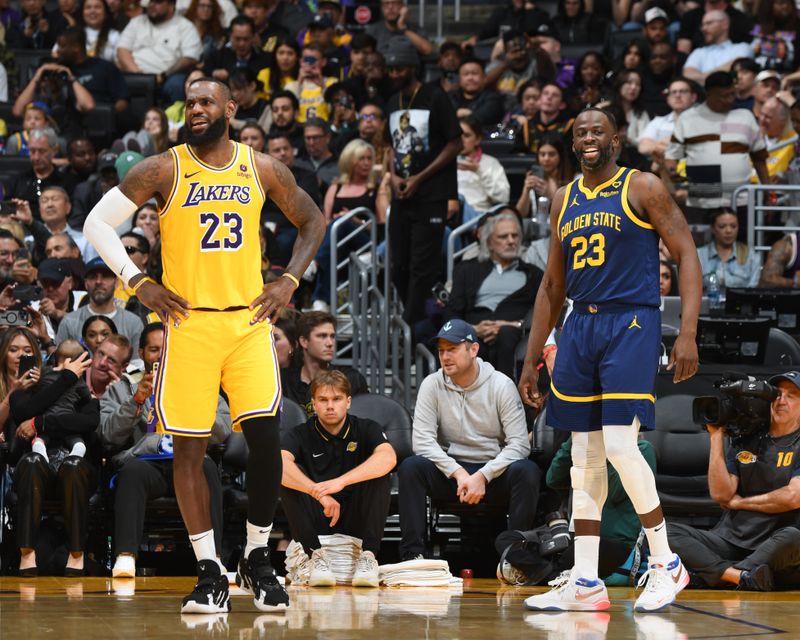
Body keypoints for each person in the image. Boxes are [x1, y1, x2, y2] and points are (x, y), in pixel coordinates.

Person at [83, 76, 326, 613]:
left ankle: (258, 559)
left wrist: (289, 279)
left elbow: (312, 218)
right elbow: (97, 222)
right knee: (189, 451)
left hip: (246, 324)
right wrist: (136, 279)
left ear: (229, 109)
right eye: (189, 102)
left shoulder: (259, 166)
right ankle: (210, 569)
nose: (194, 109)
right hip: (189, 325)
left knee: (266, 443)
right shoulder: (164, 168)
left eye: (205, 102)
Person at [518, 107, 703, 613]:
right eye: (580, 132)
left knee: (623, 445)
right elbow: (552, 285)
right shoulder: (564, 198)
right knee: (584, 461)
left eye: (597, 130)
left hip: (633, 321)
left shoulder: (642, 187)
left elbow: (687, 253)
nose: (588, 137)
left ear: (616, 139)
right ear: (573, 142)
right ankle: (585, 580)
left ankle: (667, 562)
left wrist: (686, 331)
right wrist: (532, 357)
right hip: (579, 324)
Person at [398, 319, 540, 560]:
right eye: (441, 350)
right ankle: (413, 557)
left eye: (452, 349)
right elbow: (422, 442)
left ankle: (517, 557)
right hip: (451, 473)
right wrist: (459, 474)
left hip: (493, 472)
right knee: (411, 468)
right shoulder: (431, 385)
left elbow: (519, 444)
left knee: (527, 471)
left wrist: (484, 475)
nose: (445, 356)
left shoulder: (501, 385)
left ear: (473, 350)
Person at [100, 323, 230, 578]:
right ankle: (126, 556)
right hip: (147, 465)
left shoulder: (201, 384)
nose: (161, 355)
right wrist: (136, 401)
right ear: (141, 353)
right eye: (154, 349)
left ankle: (212, 557)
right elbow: (108, 435)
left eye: (167, 349)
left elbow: (222, 431)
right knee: (133, 471)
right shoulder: (121, 388)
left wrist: (192, 400)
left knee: (206, 466)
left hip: (190, 461)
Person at [668, 371, 800, 591]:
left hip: (775, 543)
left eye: (792, 395)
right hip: (731, 539)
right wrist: (716, 437)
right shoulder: (746, 438)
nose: (781, 400)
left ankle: (714, 573)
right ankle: (741, 576)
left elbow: (793, 497)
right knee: (665, 532)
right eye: (777, 394)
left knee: (794, 537)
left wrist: (741, 503)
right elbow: (721, 494)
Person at [280, 370, 396, 587]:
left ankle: (369, 557)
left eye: (337, 399)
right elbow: (280, 465)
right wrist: (319, 493)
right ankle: (315, 557)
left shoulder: (367, 427)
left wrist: (341, 482)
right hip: (318, 514)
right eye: (323, 400)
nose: (330, 406)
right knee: (288, 479)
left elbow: (388, 457)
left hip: (356, 514)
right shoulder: (299, 433)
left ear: (348, 401)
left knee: (380, 475)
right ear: (313, 403)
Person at [385, 38, 462, 325]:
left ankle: (411, 323)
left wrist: (420, 177)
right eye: (391, 69)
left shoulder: (434, 96)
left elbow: (455, 143)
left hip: (432, 193)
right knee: (397, 264)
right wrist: (393, 175)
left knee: (422, 266)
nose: (394, 74)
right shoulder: (393, 102)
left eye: (399, 69)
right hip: (402, 194)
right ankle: (415, 318)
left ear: (412, 68)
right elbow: (390, 145)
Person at [446, 212, 542, 380]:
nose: (511, 241)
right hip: (474, 331)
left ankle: (506, 399)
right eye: (503, 237)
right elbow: (451, 313)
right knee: (470, 345)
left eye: (515, 236)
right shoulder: (466, 269)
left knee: (505, 334)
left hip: (516, 334)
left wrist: (515, 324)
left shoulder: (533, 274)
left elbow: (544, 314)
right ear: (489, 242)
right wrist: (473, 329)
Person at [281, 311, 368, 416]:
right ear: (304, 341)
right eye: (322, 336)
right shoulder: (283, 381)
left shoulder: (352, 379)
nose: (330, 343)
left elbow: (361, 425)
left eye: (332, 336)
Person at [116, 0, 202, 104]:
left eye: (158, 2)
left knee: (176, 84)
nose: (152, 5)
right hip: (133, 73)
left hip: (167, 77)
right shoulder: (137, 22)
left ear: (171, 6)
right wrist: (141, 77)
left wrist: (164, 76)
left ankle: (174, 119)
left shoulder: (185, 26)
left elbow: (190, 58)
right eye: (150, 2)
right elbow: (122, 50)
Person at [56, 257, 143, 349]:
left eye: (105, 276)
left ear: (116, 283)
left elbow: (137, 362)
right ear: (86, 283)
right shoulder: (69, 322)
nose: (98, 281)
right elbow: (60, 360)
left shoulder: (133, 323)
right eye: (93, 277)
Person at [682, 10, 754, 85]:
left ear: (724, 24)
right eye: (702, 25)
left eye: (709, 23)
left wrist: (701, 78)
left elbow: (736, 70)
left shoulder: (742, 48)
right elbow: (688, 77)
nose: (703, 28)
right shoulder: (698, 52)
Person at [456, 115, 510, 214]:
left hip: (479, 215)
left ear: (477, 140)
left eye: (467, 136)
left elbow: (503, 197)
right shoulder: (445, 162)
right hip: (451, 215)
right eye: (458, 135)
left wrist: (478, 170)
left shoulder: (491, 163)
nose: (461, 140)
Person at [697, 210, 761, 290]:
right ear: (713, 228)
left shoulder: (751, 257)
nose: (729, 231)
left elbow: (752, 291)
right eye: (722, 226)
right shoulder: (698, 255)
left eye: (733, 226)